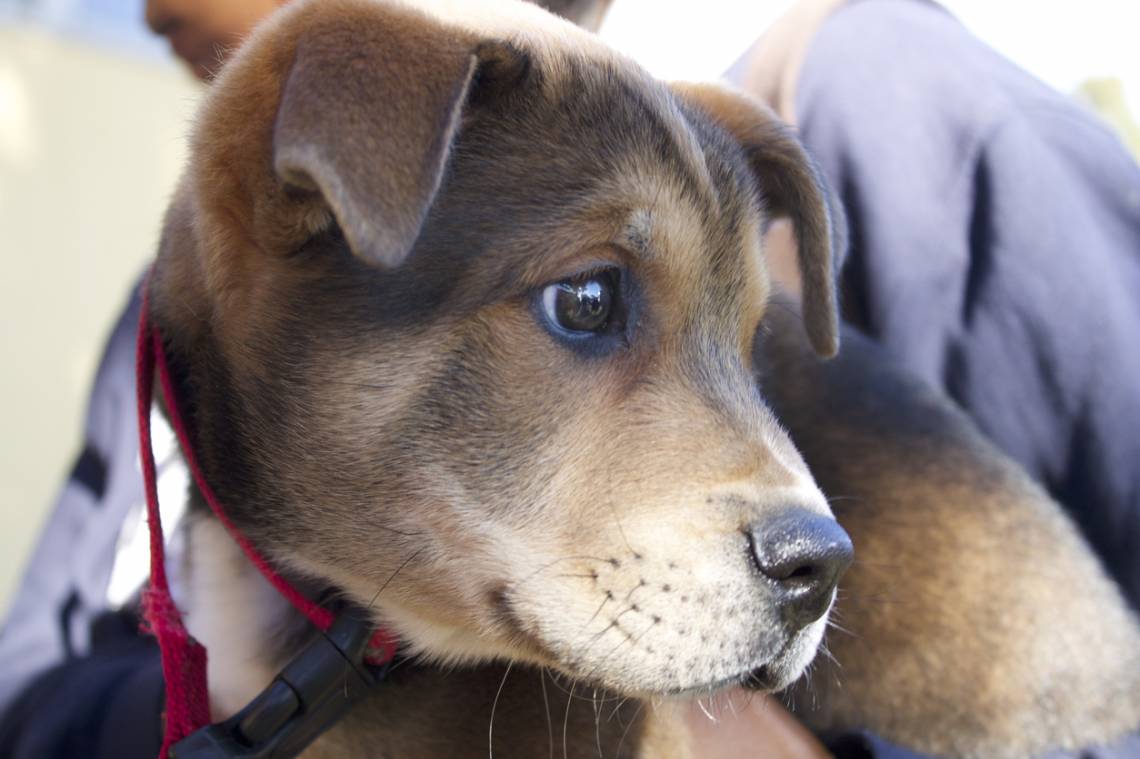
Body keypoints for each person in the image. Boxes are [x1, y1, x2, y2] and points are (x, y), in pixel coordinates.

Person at [2, 0, 1138, 756]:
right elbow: (32, 693)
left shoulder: (888, 100)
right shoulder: (182, 338)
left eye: (743, 346)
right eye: (589, 306)